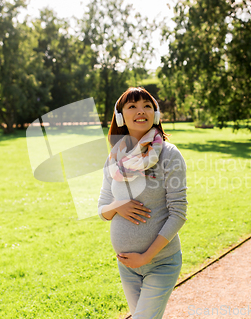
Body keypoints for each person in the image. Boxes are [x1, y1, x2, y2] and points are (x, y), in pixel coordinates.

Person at [97, 87, 188, 318]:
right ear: (120, 116)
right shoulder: (114, 158)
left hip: (161, 262)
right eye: (133, 106)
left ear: (155, 115)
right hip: (126, 265)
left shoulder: (169, 154)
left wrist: (146, 256)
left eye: (147, 106)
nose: (141, 111)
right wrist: (118, 205)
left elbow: (178, 212)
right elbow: (102, 210)